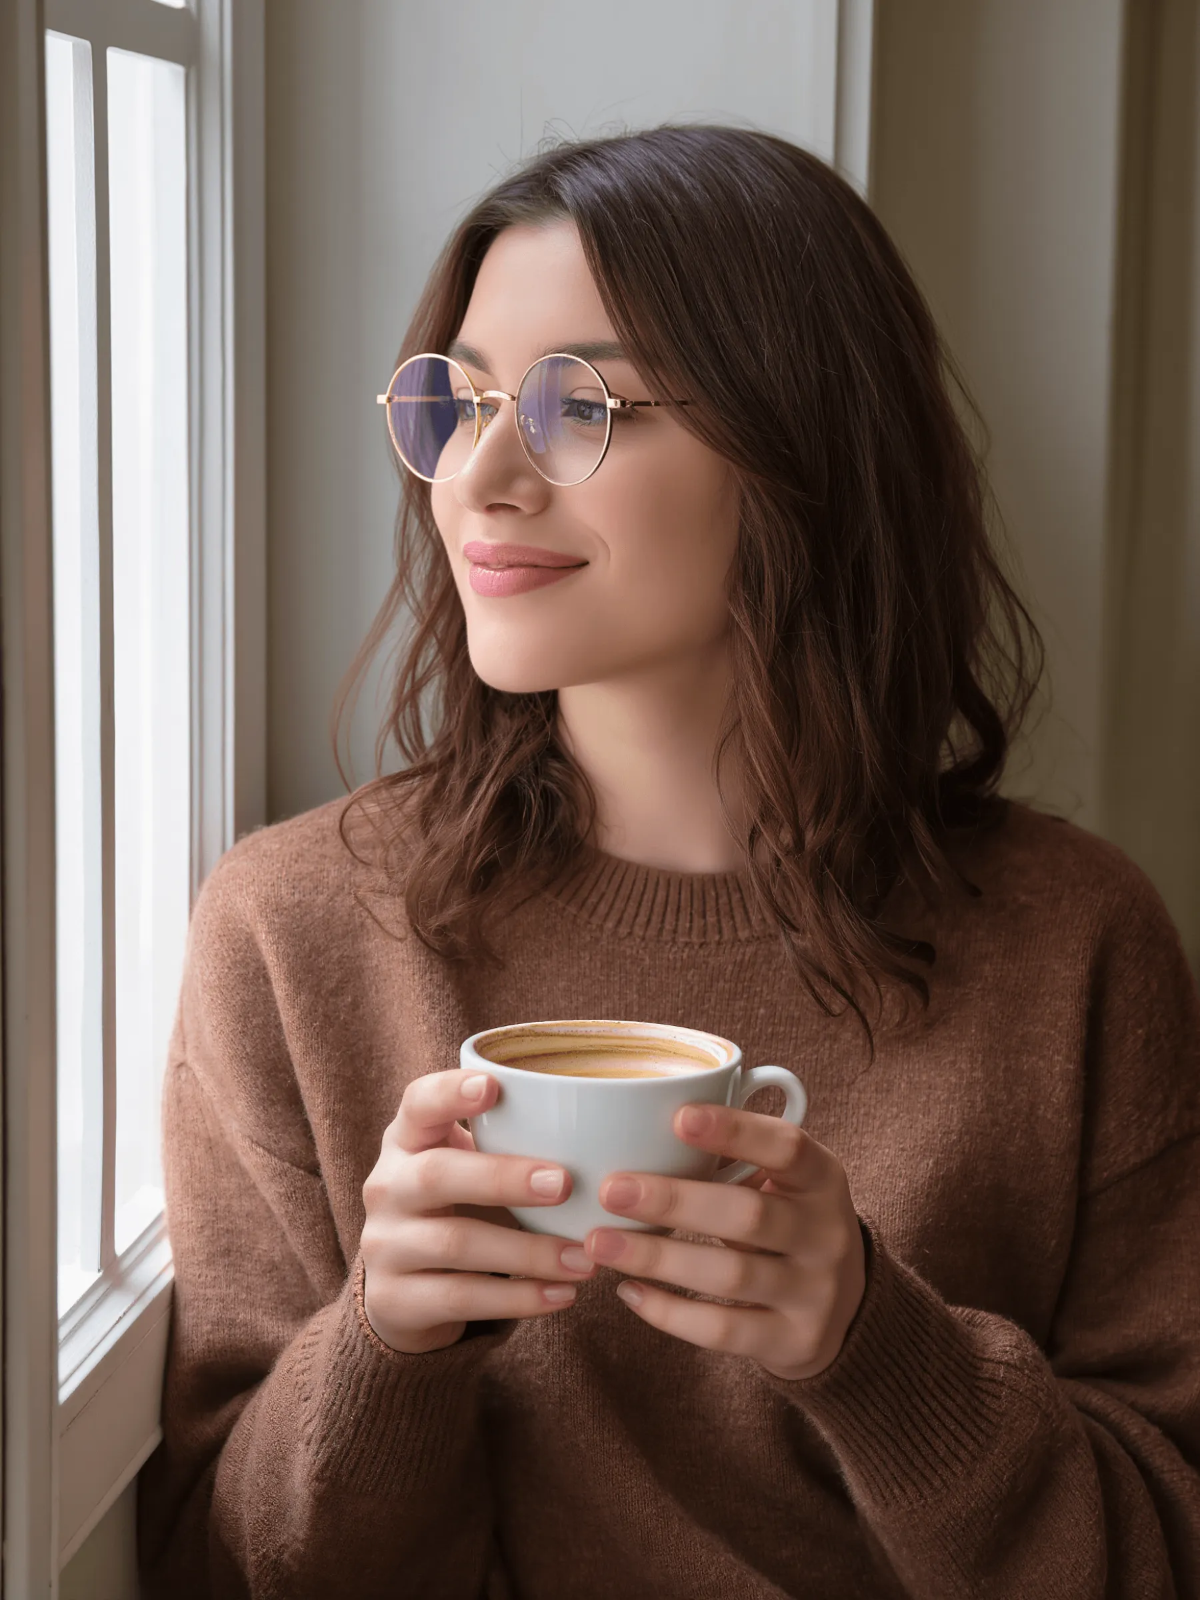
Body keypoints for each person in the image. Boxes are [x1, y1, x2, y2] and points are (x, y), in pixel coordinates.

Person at [136, 124, 1200, 1599]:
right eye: (460, 402)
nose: (483, 478)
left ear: (801, 445)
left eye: (586, 406)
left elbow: (1159, 1550)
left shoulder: (1079, 944)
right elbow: (224, 1564)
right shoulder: (297, 930)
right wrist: (386, 1347)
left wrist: (877, 1352)